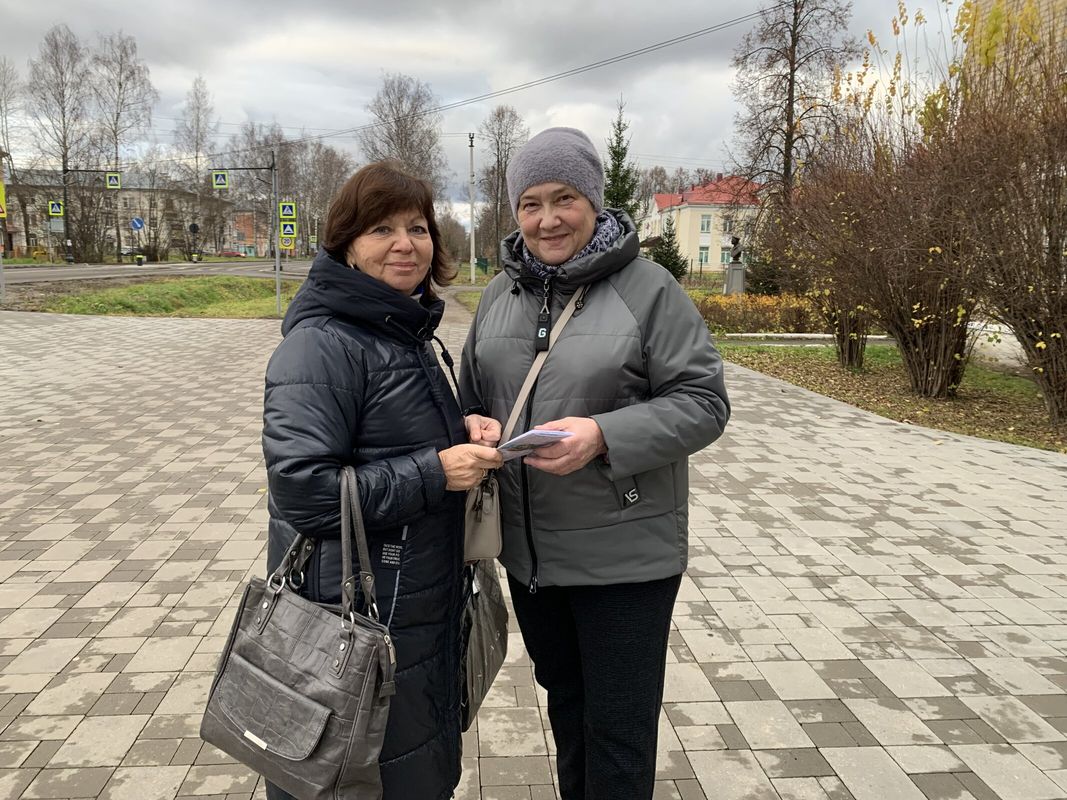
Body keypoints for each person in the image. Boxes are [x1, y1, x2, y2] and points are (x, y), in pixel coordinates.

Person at [459, 128, 730, 799]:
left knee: (617, 735)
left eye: (564, 199)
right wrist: (472, 422)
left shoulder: (649, 289)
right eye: (530, 203)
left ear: (594, 201)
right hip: (530, 559)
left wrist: (604, 435)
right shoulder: (498, 295)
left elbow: (703, 403)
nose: (547, 219)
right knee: (569, 712)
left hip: (624, 560)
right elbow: (471, 395)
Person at [261, 161, 503, 800]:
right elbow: (305, 490)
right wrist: (436, 471)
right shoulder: (323, 345)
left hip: (409, 605)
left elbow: (388, 435)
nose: (405, 244)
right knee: (353, 773)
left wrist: (459, 429)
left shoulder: (403, 330)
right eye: (381, 229)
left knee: (406, 766)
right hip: (355, 615)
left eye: (418, 228)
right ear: (346, 244)